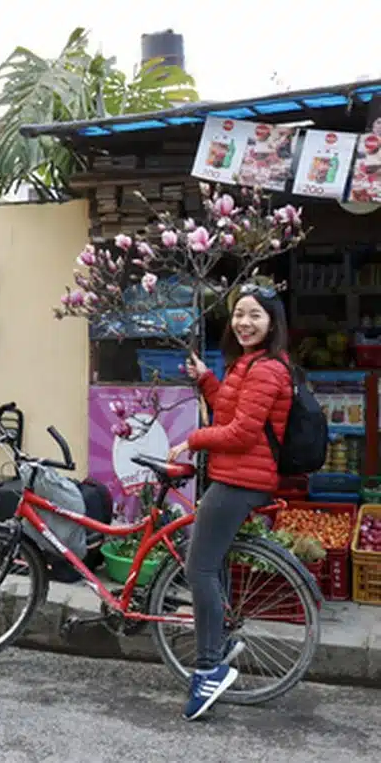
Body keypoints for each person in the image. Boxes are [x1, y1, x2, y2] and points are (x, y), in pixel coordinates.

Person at [168, 283, 293, 721]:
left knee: (197, 569)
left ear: (273, 322)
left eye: (255, 315)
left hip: (239, 481)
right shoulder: (249, 364)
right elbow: (228, 412)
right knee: (211, 564)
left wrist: (191, 440)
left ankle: (208, 669)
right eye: (239, 313)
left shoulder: (266, 369)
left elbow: (241, 435)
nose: (244, 322)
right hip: (235, 476)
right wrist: (206, 379)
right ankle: (218, 644)